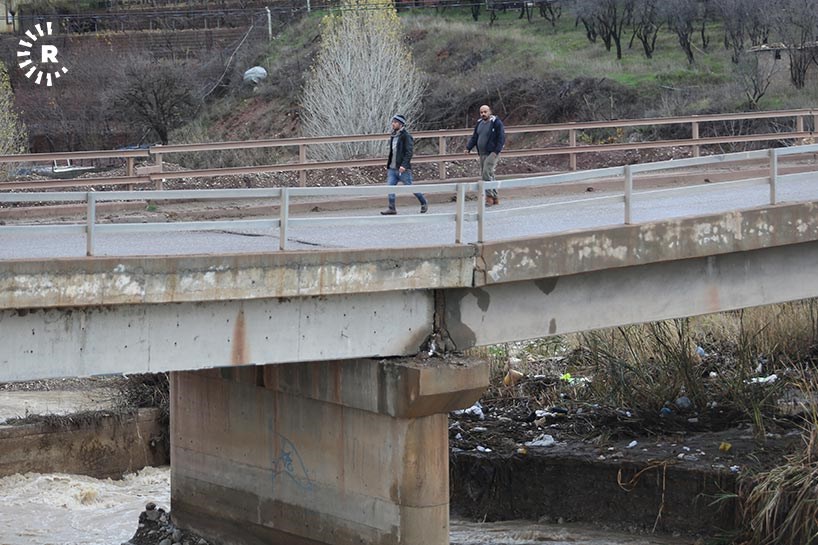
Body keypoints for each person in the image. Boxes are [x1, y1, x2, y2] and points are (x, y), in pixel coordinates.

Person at [381, 114, 428, 215]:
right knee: (390, 188)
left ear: (401, 124)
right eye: (393, 122)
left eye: (395, 122)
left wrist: (404, 165)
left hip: (402, 168)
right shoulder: (393, 136)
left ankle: (423, 201)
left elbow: (409, 152)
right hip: (392, 168)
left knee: (410, 186)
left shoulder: (406, 136)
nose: (393, 124)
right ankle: (392, 208)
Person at [465, 104, 505, 206]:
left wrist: (496, 151)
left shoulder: (496, 123)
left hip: (492, 152)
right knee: (489, 174)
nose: (483, 114)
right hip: (482, 153)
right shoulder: (479, 123)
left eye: (485, 112)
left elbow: (501, 138)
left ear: (489, 112)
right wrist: (468, 147)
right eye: (481, 112)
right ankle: (495, 197)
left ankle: (489, 197)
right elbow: (475, 137)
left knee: (486, 173)